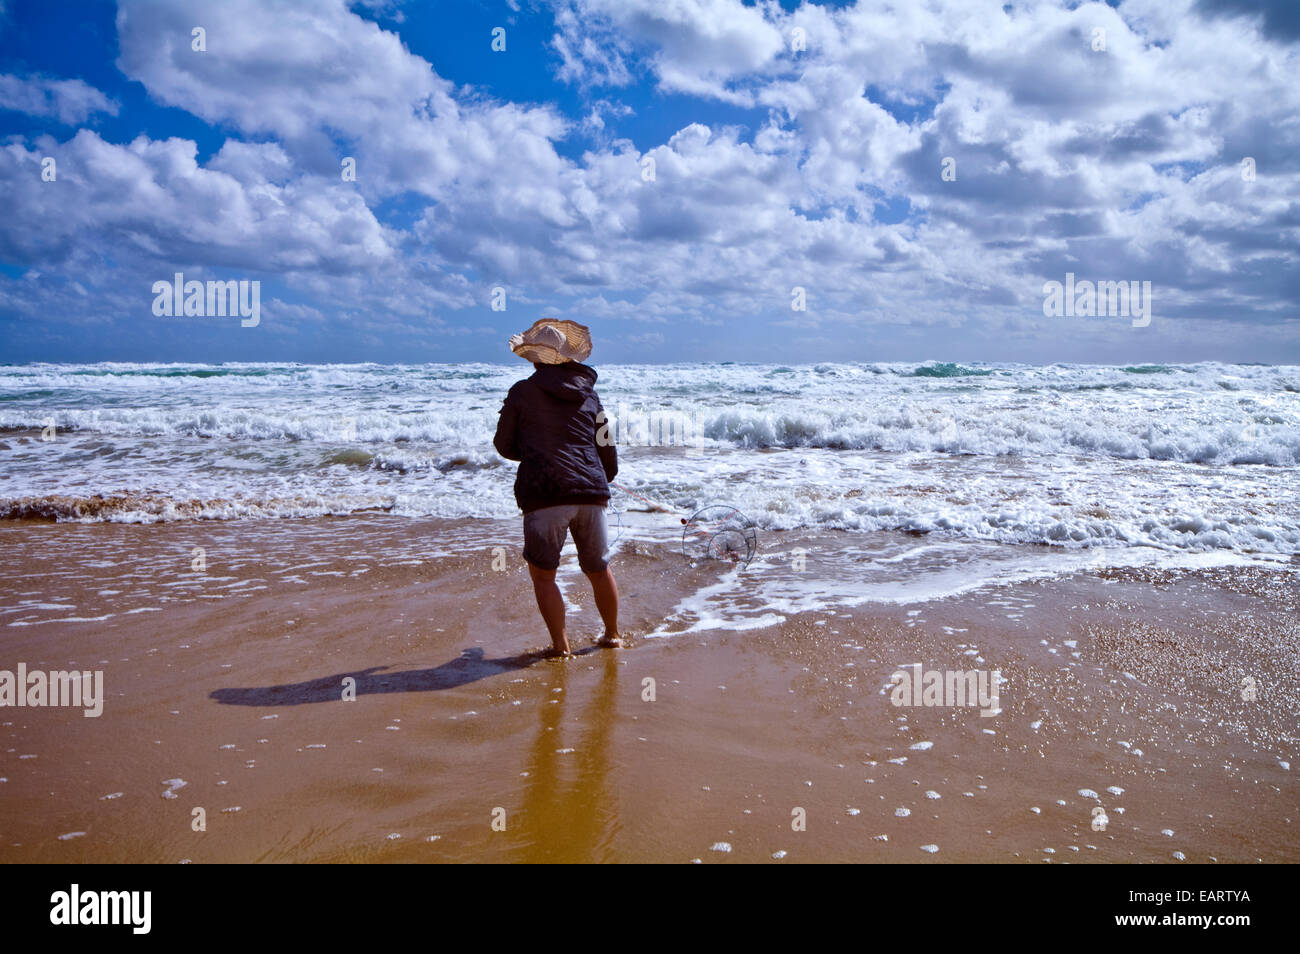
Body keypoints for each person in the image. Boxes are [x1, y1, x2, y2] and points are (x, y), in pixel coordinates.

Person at [493, 318, 622, 656]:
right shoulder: (591, 396)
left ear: (535, 358)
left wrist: (536, 452)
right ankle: (612, 635)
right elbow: (607, 445)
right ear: (569, 357)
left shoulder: (522, 392)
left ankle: (561, 646)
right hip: (591, 493)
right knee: (598, 568)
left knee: (545, 575)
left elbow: (504, 446)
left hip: (544, 494)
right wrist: (602, 477)